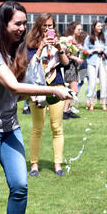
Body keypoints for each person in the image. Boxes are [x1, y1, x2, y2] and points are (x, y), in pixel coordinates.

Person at [0, 1, 72, 214]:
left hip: (9, 128)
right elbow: (14, 86)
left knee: (20, 186)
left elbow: (17, 94)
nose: (23, 28)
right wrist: (53, 90)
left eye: (25, 23)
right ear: (3, 23)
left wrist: (35, 97)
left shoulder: (17, 50)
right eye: (18, 23)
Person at [26, 12, 70, 177]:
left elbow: (65, 64)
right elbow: (31, 66)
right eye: (44, 26)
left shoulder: (59, 42)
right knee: (37, 128)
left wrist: (59, 49)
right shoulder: (31, 44)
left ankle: (58, 165)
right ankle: (34, 165)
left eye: (50, 26)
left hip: (57, 87)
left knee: (57, 128)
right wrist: (40, 47)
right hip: (37, 89)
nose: (47, 29)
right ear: (39, 26)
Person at [84, 21, 107, 111]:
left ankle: (103, 105)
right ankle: (91, 104)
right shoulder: (88, 38)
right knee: (92, 83)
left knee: (104, 82)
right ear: (94, 27)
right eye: (98, 26)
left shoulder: (104, 37)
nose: (100, 28)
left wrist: (104, 52)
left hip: (102, 61)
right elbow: (85, 49)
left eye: (101, 26)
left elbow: (106, 48)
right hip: (92, 61)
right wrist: (94, 50)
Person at [63, 21, 84, 119]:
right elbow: (66, 53)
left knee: (73, 90)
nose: (80, 31)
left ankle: (68, 109)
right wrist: (76, 59)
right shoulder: (69, 39)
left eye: (81, 29)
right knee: (74, 89)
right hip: (70, 66)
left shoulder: (75, 40)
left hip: (74, 67)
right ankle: (65, 110)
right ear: (73, 29)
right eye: (78, 29)